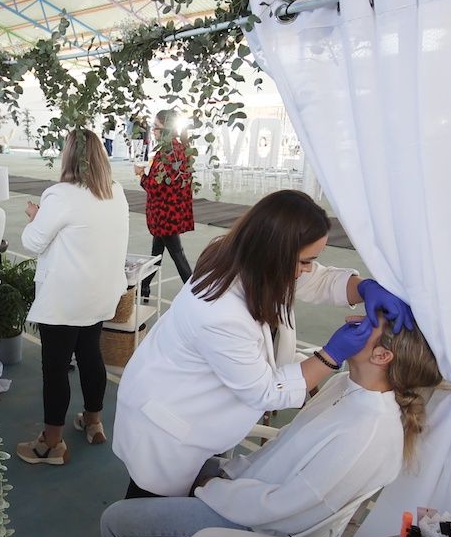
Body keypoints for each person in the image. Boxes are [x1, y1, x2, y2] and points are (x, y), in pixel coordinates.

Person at [112, 189, 415, 500]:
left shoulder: (246, 258)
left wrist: (363, 287)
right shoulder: (220, 313)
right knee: (145, 507)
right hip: (167, 426)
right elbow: (265, 391)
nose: (308, 269)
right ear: (275, 253)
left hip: (191, 407)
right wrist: (330, 355)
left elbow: (316, 280)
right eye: (305, 261)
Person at [101, 314, 441, 537]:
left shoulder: (366, 431)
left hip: (260, 535)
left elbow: (288, 508)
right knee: (179, 459)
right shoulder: (347, 387)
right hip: (253, 497)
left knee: (116, 524)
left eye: (367, 322)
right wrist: (226, 476)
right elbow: (282, 451)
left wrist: (214, 488)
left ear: (382, 356)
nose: (352, 319)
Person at [17, 128, 129, 466]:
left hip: (65, 300)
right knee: (91, 355)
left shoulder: (60, 195)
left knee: (55, 368)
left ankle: (51, 443)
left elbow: (32, 242)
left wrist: (36, 217)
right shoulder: (116, 192)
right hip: (100, 295)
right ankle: (93, 422)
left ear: (68, 157)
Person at [136, 109, 195, 302]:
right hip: (172, 211)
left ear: (166, 129)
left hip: (164, 214)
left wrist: (140, 175)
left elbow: (155, 186)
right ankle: (144, 286)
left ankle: (194, 293)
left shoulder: (167, 153)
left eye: (156, 127)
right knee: (157, 254)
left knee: (177, 255)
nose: (153, 131)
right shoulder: (181, 149)